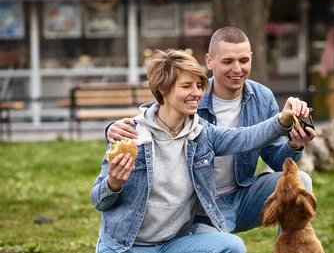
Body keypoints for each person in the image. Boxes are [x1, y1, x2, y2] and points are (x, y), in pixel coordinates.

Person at [58, 49, 308, 253]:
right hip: (125, 248)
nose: (197, 93)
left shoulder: (202, 133)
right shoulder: (130, 135)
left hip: (169, 247)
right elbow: (98, 199)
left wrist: (283, 121)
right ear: (163, 89)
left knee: (233, 250)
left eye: (199, 86)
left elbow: (244, 138)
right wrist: (114, 184)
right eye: (187, 86)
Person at [107, 27, 316, 236]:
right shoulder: (193, 97)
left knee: (300, 182)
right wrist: (112, 129)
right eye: (227, 62)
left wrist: (295, 145)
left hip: (243, 196)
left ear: (251, 58)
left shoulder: (262, 97)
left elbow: (277, 161)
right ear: (209, 61)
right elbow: (158, 113)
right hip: (202, 207)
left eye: (243, 61)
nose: (237, 69)